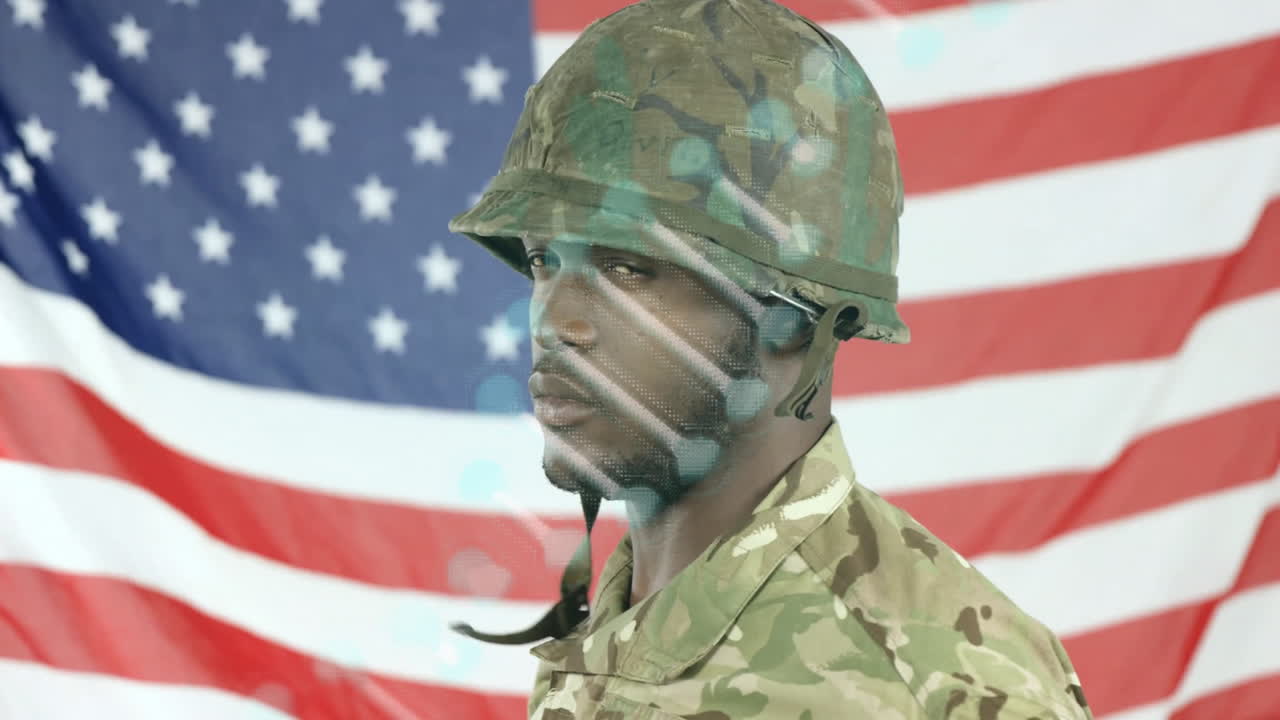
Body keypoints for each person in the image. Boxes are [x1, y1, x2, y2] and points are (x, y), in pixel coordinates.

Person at [447, 0, 1095, 717]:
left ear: (794, 319)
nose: (556, 323)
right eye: (543, 259)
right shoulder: (626, 617)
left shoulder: (939, 688)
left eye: (630, 270)